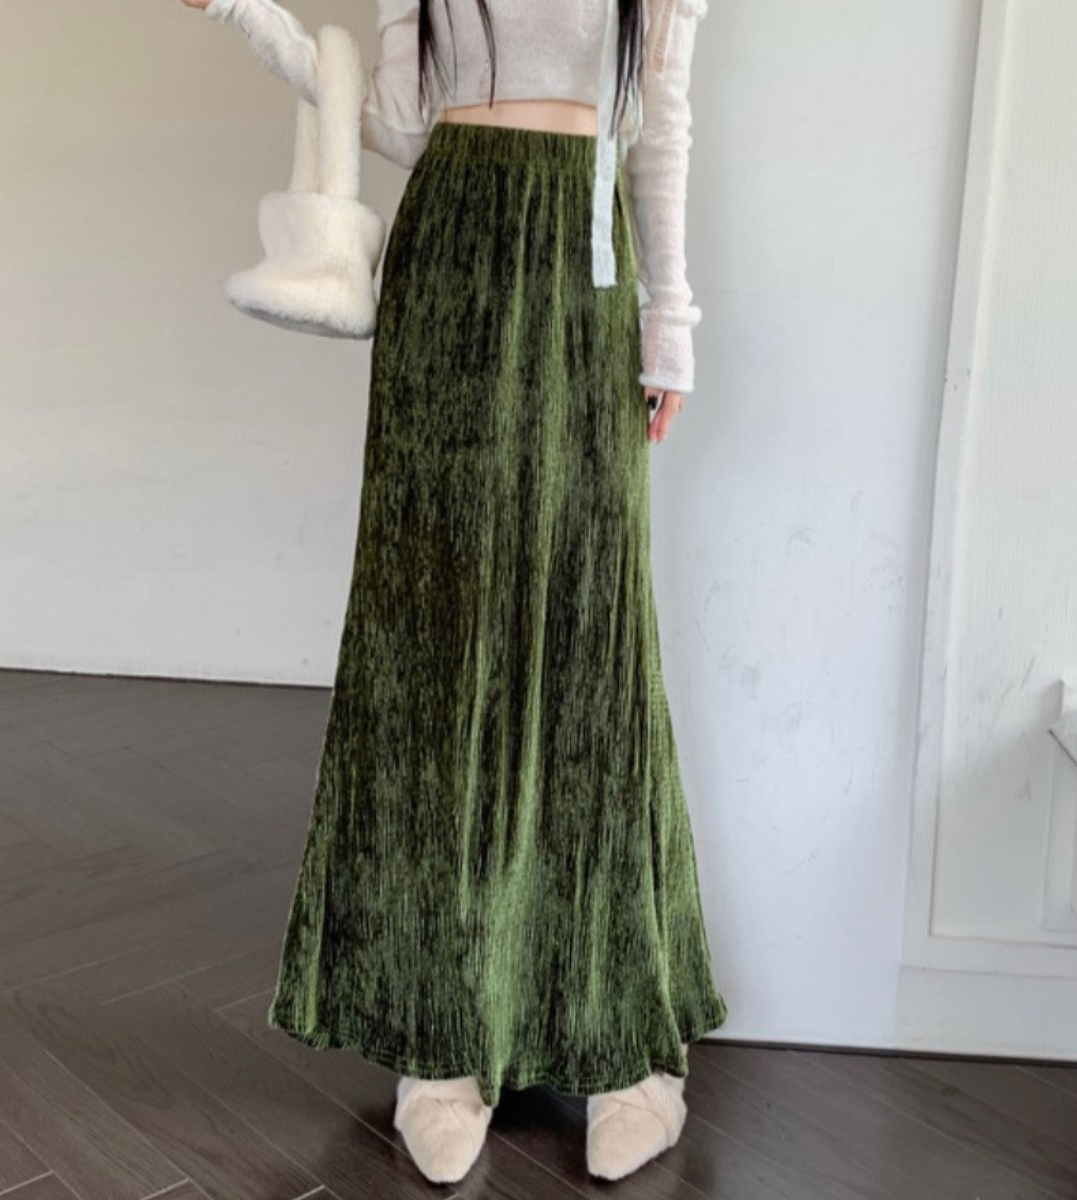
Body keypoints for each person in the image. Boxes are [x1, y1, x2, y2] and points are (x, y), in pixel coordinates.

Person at [184, 0, 726, 1183]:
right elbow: (392, 118)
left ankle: (629, 1055)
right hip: (447, 266)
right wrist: (242, 11)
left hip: (583, 275)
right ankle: (442, 1049)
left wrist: (670, 322)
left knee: (591, 647)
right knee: (435, 640)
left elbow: (662, 120)